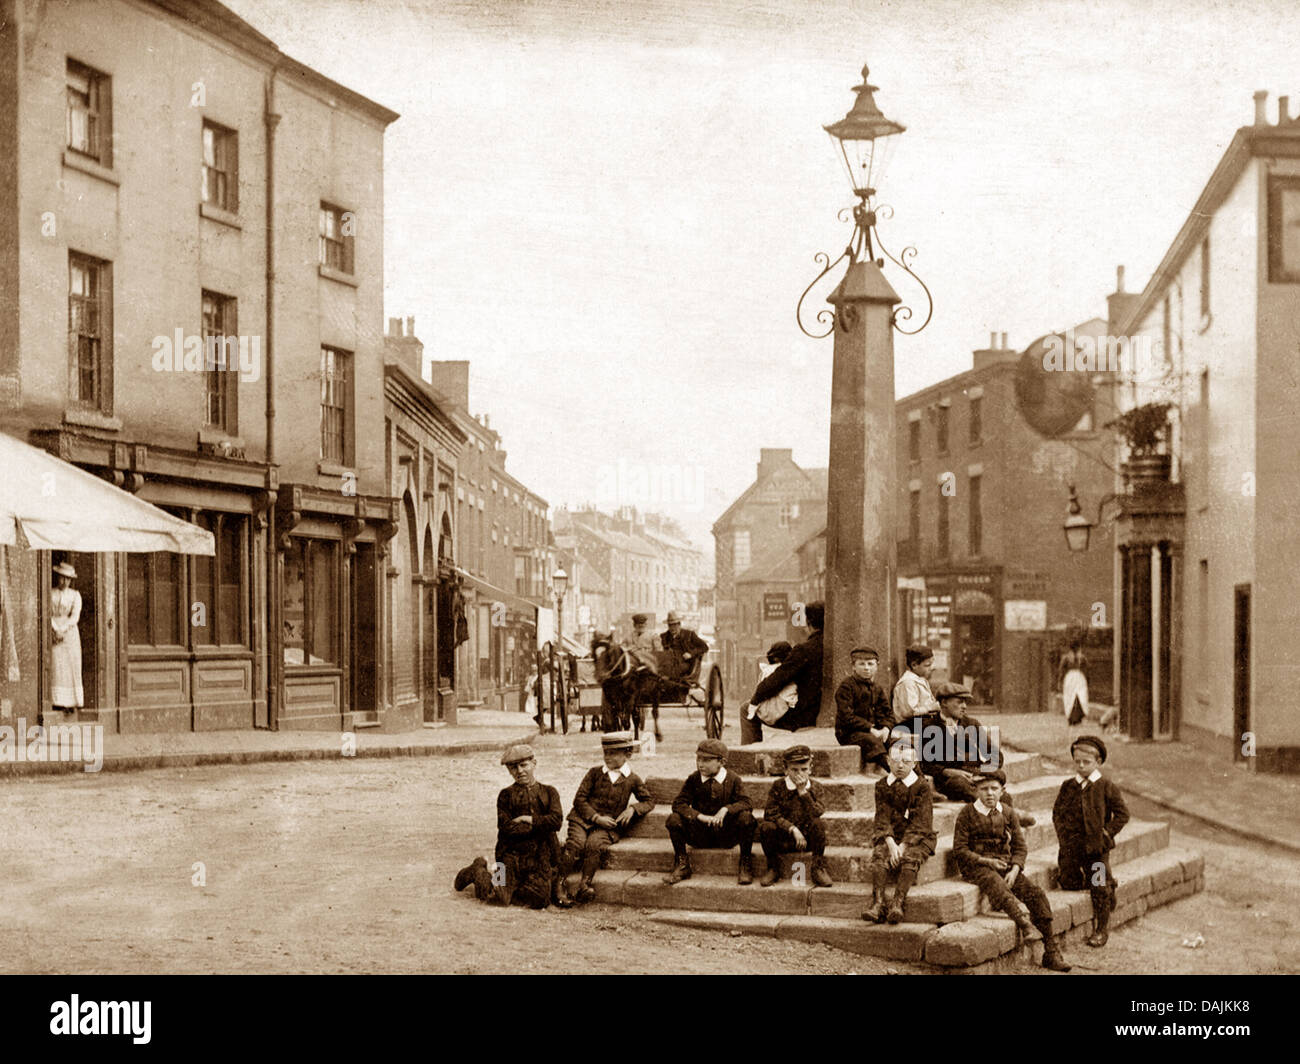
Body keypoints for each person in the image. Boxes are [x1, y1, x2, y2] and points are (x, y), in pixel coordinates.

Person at [953, 769, 1072, 972]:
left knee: (1036, 893)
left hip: (1006, 866)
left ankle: (1051, 950)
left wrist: (1016, 869)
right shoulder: (967, 814)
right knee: (995, 883)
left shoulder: (1008, 812)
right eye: (984, 789)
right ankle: (1023, 923)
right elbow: (960, 850)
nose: (989, 793)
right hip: (978, 866)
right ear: (975, 790)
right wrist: (986, 862)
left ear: (1002, 790)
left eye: (994, 789)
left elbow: (1020, 847)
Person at [452, 743, 563, 909]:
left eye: (523, 765)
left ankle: (514, 887)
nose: (519, 771)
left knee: (540, 900)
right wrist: (541, 826)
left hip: (538, 857)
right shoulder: (505, 795)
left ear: (534, 763)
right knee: (497, 898)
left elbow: (557, 821)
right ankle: (478, 870)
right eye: (513, 768)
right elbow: (506, 828)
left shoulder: (549, 792)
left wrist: (528, 819)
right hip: (509, 856)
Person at [915, 681, 1035, 826]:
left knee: (998, 776)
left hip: (976, 774)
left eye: (965, 702)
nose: (964, 706)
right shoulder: (929, 727)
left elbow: (996, 756)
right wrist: (947, 771)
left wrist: (981, 772)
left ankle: (1006, 814)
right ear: (944, 703)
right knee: (958, 784)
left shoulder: (971, 724)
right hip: (950, 780)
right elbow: (925, 764)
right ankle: (1009, 815)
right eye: (959, 702)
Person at [555, 732, 654, 907]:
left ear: (628, 754)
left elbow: (648, 801)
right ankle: (559, 883)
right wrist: (596, 817)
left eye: (613, 753)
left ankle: (584, 884)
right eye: (605, 753)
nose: (607, 757)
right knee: (576, 844)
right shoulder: (594, 773)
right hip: (582, 819)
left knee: (594, 846)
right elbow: (579, 800)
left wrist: (633, 809)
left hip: (607, 827)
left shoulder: (632, 779)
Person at [1052, 735, 1130, 948]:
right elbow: (1057, 814)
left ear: (1098, 762)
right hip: (1072, 848)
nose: (1081, 766)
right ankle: (1108, 881)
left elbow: (1123, 815)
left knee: (1097, 885)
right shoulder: (1068, 786)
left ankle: (1101, 928)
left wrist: (1106, 834)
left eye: (1086, 762)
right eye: (1077, 762)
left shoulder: (1106, 786)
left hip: (1096, 849)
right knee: (1068, 882)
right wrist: (1064, 839)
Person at [861, 737, 935, 923]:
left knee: (910, 858)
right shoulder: (882, 785)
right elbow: (882, 816)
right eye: (895, 761)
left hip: (916, 837)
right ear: (888, 761)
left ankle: (897, 903)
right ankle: (878, 903)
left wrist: (902, 846)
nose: (900, 766)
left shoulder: (922, 787)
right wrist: (890, 842)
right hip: (891, 837)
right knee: (880, 856)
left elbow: (921, 822)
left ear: (915, 762)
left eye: (906, 762)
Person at [664, 738, 757, 886]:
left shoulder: (733, 779)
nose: (700, 764)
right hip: (700, 835)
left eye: (707, 760)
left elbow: (747, 802)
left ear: (722, 762)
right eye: (699, 759)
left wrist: (726, 809)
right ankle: (682, 864)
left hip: (726, 835)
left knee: (747, 817)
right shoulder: (694, 779)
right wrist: (699, 816)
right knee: (673, 819)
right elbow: (679, 803)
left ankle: (745, 862)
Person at [744, 601, 825, 741]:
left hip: (803, 714)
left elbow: (777, 679)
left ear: (808, 622)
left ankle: (751, 752)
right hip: (822, 709)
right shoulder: (834, 647)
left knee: (745, 709)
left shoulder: (804, 650)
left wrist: (756, 698)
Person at [758, 745, 833, 888]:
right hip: (784, 838)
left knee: (818, 824)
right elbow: (771, 813)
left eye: (804, 769)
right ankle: (773, 868)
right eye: (794, 770)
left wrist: (803, 792)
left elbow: (817, 811)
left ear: (810, 768)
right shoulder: (779, 786)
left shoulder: (816, 787)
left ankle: (817, 868)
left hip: (807, 840)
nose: (800, 774)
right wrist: (792, 829)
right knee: (766, 827)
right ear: (786, 770)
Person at [833, 645, 893, 773]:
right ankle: (895, 772)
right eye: (861, 664)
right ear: (853, 666)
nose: (866, 668)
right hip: (849, 733)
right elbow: (847, 716)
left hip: (874, 732)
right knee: (872, 742)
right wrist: (870, 729)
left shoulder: (877, 688)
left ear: (877, 666)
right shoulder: (846, 687)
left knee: (898, 743)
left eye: (870, 664)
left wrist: (886, 728)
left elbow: (888, 713)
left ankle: (918, 777)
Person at [49, 561, 83, 720]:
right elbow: (47, 613)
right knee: (57, 664)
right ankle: (57, 700)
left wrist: (63, 629)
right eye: (62, 578)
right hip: (54, 630)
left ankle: (70, 702)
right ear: (58, 577)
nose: (64, 582)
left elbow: (75, 616)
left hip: (69, 633)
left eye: (68, 579)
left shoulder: (75, 595)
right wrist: (55, 629)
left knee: (71, 665)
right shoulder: (50, 593)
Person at [741, 641, 797, 730]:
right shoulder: (793, 666)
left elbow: (765, 689)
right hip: (792, 703)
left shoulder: (772, 670)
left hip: (782, 710)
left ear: (775, 658)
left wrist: (754, 702)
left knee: (745, 709)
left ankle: (752, 743)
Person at [659, 610, 709, 684]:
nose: (672, 628)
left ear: (679, 624)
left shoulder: (689, 635)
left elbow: (704, 647)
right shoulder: (663, 637)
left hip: (685, 663)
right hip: (667, 663)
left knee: (674, 670)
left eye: (675, 625)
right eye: (670, 625)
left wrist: (691, 654)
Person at [892, 645, 938, 723]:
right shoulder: (907, 682)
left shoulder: (921, 679)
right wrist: (931, 708)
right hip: (910, 724)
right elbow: (908, 712)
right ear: (914, 665)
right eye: (927, 665)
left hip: (923, 721)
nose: (931, 668)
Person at [1059, 640, 1089, 726]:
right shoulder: (1081, 658)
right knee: (1078, 697)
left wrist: (1061, 680)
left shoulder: (1067, 658)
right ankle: (1077, 718)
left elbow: (1061, 670)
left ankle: (1073, 718)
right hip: (1079, 678)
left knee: (1071, 698)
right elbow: (1087, 669)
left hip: (1070, 679)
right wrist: (1086, 679)